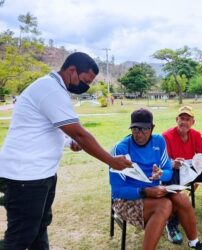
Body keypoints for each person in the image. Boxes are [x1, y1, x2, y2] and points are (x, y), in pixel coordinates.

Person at [0, 52, 132, 250]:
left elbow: (45, 128)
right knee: (20, 237)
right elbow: (81, 134)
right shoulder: (49, 89)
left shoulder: (55, 89)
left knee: (39, 227)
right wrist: (111, 161)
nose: (85, 86)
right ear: (72, 70)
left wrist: (68, 141)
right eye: (85, 80)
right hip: (24, 177)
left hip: (41, 175)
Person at [110, 108, 202, 250]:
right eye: (135, 129)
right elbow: (117, 191)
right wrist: (145, 191)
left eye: (144, 129)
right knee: (165, 205)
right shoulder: (120, 149)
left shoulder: (158, 141)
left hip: (153, 192)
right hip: (127, 199)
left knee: (182, 198)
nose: (139, 134)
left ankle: (194, 242)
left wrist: (161, 174)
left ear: (152, 128)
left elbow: (168, 172)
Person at [163, 106, 202, 245]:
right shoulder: (166, 136)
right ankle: (172, 224)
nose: (184, 122)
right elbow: (163, 161)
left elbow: (201, 157)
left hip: (192, 170)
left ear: (193, 122)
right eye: (181, 118)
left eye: (188, 119)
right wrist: (173, 163)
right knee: (171, 175)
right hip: (176, 171)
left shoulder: (196, 135)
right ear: (176, 119)